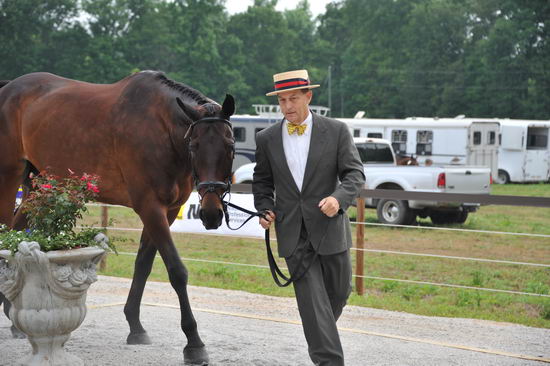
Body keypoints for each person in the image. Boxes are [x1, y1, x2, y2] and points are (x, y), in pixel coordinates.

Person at [252, 69, 365, 365]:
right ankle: (328, 360)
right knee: (312, 302)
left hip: (330, 227)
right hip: (292, 232)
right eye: (282, 100)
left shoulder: (337, 131)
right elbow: (262, 182)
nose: (287, 106)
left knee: (339, 293)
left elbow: (355, 174)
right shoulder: (267, 138)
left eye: (293, 99)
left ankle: (319, 333)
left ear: (308, 96)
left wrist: (338, 199)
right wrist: (264, 208)